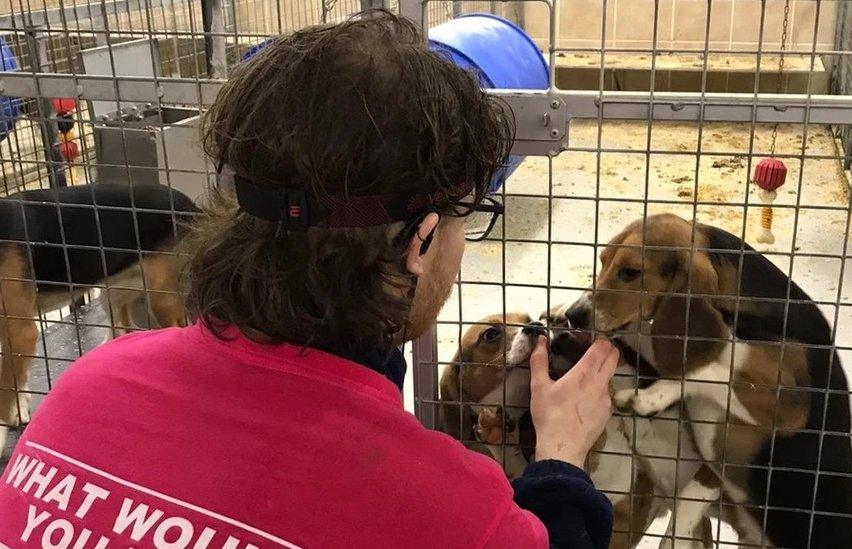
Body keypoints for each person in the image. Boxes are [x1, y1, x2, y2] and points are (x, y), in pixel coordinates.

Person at [0, 10, 620, 549]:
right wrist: (561, 463)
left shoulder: (87, 387)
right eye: (468, 218)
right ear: (421, 242)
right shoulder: (456, 514)